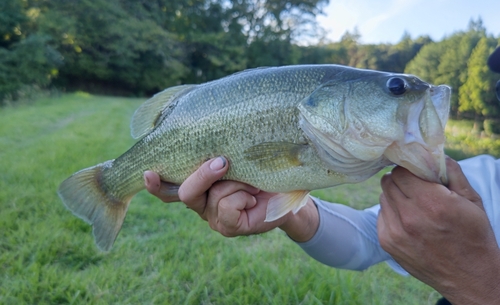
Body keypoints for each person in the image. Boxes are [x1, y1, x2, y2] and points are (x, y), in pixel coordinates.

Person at [144, 47, 500, 305]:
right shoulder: (485, 177)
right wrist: (290, 208)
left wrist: (480, 284)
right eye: (396, 88)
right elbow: (367, 240)